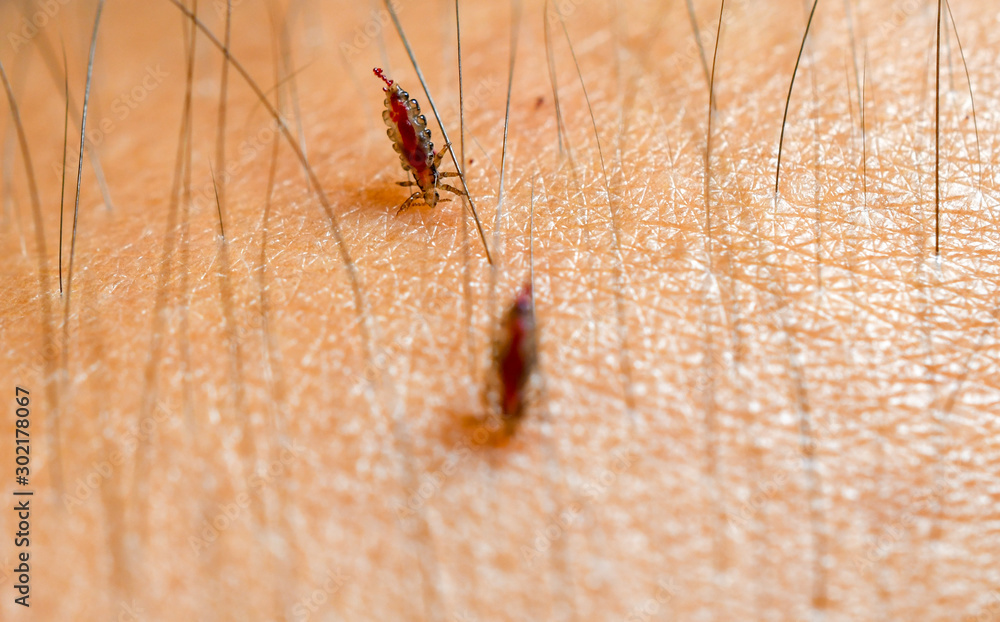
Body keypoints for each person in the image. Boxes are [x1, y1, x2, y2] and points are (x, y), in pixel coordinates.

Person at [2, 0, 997, 619]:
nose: (421, 171)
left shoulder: (437, 189)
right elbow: (421, 159)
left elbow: (423, 165)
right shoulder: (433, 175)